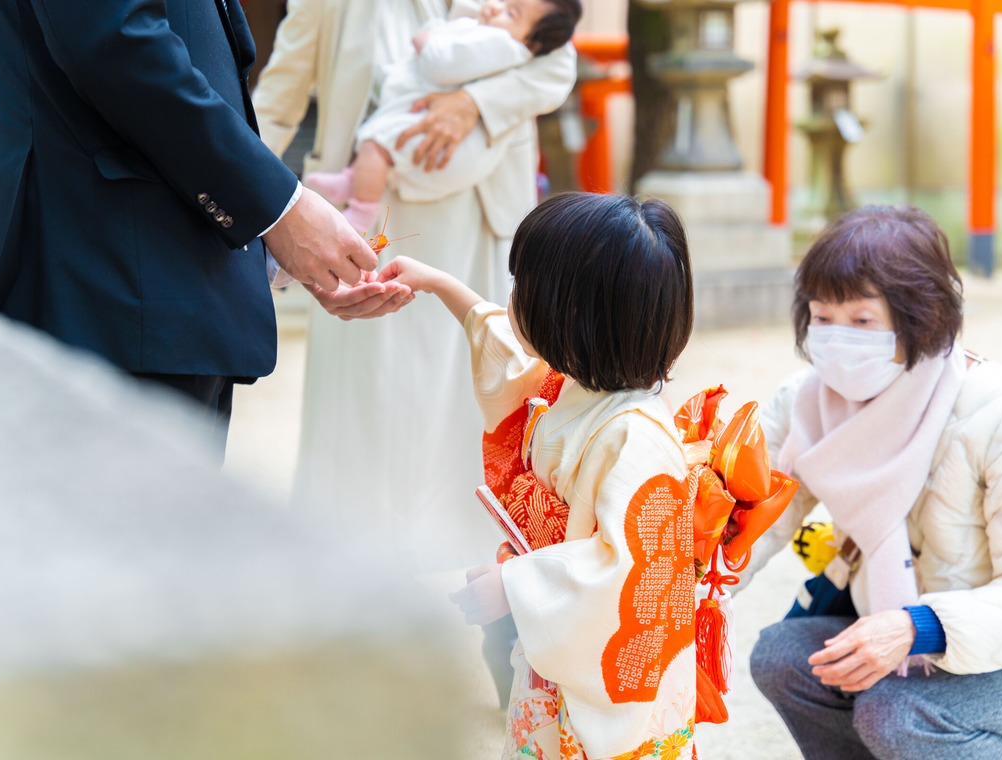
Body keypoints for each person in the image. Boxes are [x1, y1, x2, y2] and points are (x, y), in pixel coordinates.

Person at [0, 0, 411, 456]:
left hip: (157, 298)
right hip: (105, 295)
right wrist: (280, 211)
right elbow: (120, 44)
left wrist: (272, 237)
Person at [251, 0, 576, 569]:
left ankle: (478, 555)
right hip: (366, 221)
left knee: (472, 391)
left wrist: (474, 103)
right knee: (369, 397)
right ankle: (358, 561)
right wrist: (236, 196)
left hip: (478, 220)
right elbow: (277, 99)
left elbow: (557, 62)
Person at [380, 192, 700, 759]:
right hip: (559, 640)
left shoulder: (637, 439)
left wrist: (513, 584)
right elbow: (510, 349)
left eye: (523, 286)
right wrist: (440, 286)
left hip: (601, 681)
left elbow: (628, 575)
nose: (512, 298)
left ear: (570, 317)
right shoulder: (583, 384)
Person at [738, 205, 1002, 759]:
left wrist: (917, 627)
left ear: (916, 317)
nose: (837, 339)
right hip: (914, 629)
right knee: (784, 658)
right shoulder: (807, 403)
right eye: (822, 318)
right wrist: (679, 587)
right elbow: (752, 516)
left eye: (861, 321)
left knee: (896, 711)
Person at [303, 0, 581, 233]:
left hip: (477, 193)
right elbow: (283, 85)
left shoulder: (524, 16)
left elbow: (558, 61)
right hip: (376, 180)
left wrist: (474, 102)